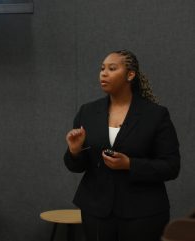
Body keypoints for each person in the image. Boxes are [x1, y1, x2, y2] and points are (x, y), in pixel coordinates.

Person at [64, 50, 180, 241]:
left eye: (112, 68)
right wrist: (75, 151)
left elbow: (171, 166)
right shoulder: (88, 111)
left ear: (130, 75)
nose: (103, 73)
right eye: (102, 69)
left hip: (143, 213)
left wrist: (130, 165)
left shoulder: (155, 115)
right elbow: (76, 165)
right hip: (97, 211)